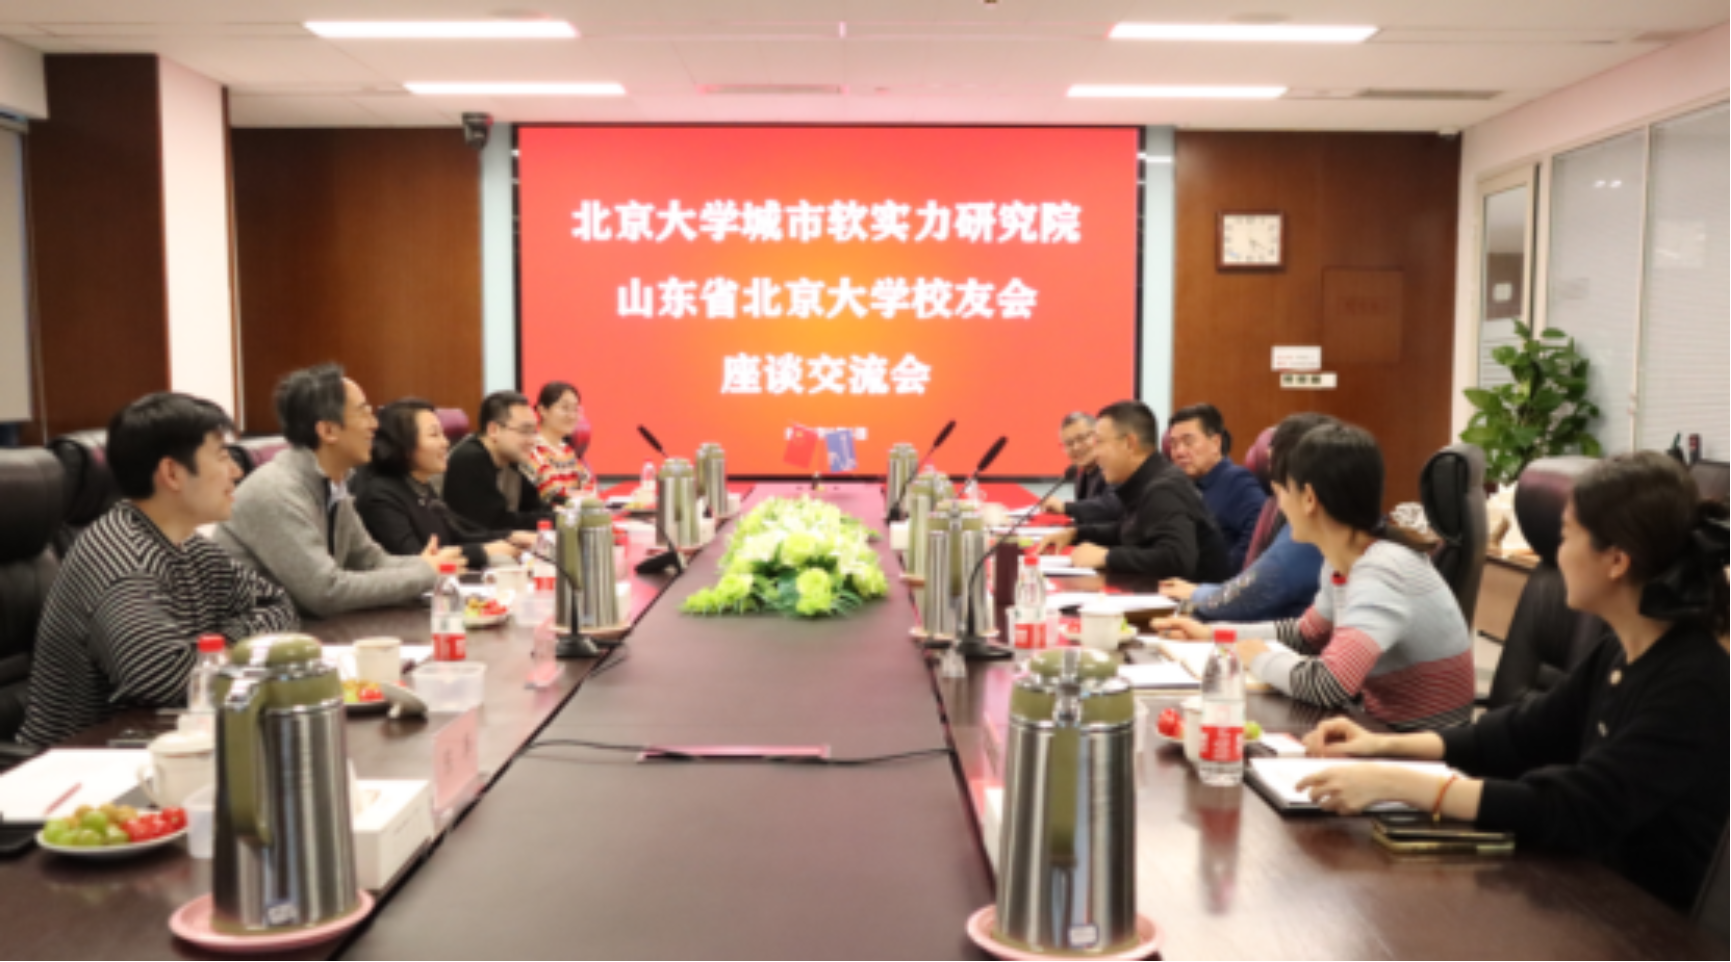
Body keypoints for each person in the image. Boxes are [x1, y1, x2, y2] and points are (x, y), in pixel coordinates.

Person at [1293, 452, 1729, 913]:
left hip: (1652, 927)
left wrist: (1397, 783)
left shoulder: (1694, 684)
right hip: (1589, 894)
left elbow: (1575, 807)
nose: (1555, 553)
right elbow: (1519, 733)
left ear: (1617, 560)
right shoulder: (1618, 652)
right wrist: (1382, 747)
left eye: (1566, 536)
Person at [1156, 423, 1477, 732]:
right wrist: (1213, 634)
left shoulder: (1381, 572)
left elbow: (1330, 684)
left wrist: (1260, 658)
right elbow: (1306, 635)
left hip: (1416, 746)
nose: (1279, 505)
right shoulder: (1342, 560)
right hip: (1376, 728)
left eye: (1282, 491)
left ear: (1309, 499)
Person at [19, 394, 299, 747]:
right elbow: (165, 678)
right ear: (172, 473)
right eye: (221, 456)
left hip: (156, 742)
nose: (236, 471)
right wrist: (216, 653)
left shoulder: (188, 546)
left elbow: (279, 607)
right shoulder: (120, 557)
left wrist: (217, 648)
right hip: (80, 762)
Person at [215, 365, 462, 619]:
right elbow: (326, 592)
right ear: (328, 431)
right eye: (363, 413)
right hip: (254, 638)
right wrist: (425, 573)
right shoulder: (276, 491)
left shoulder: (334, 484)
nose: (374, 425)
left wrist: (428, 565)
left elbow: (370, 560)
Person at [1160, 414, 1333, 624]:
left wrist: (1197, 595)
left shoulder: (1309, 534)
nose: (1273, 482)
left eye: (1276, 466)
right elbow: (1302, 631)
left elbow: (1251, 593)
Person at [1038, 402, 1233, 582]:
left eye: (1101, 443)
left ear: (1129, 443)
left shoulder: (1164, 488)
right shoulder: (1147, 480)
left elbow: (1176, 559)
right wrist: (1075, 533)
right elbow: (1129, 530)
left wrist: (1106, 557)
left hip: (1194, 604)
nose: (1096, 454)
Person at [354, 399, 538, 571]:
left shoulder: (420, 488)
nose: (445, 443)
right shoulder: (380, 497)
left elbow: (457, 535)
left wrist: (512, 537)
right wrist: (485, 551)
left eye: (442, 434)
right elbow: (416, 562)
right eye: (434, 435)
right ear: (404, 445)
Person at [1169, 404, 1267, 573]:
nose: (1179, 452)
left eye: (1188, 442)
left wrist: (1222, 575)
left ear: (1216, 443)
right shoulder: (1180, 486)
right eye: (1173, 444)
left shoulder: (1237, 482)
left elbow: (1260, 536)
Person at [445, 391, 556, 533]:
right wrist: (555, 519)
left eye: (534, 431)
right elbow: (494, 523)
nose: (532, 440)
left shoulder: (509, 460)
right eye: (524, 431)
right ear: (493, 430)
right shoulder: (469, 460)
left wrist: (558, 516)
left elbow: (534, 506)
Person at [1041, 412, 1121, 524]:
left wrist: (1066, 508)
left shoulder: (1115, 468)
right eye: (1069, 443)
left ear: (1098, 436)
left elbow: (1112, 506)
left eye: (1082, 438)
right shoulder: (1082, 475)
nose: (1076, 447)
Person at [525, 382, 593, 509]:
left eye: (575, 409)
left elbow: (589, 486)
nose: (572, 415)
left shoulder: (567, 450)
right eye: (565, 408)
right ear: (542, 410)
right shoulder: (531, 450)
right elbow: (549, 494)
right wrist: (580, 497)